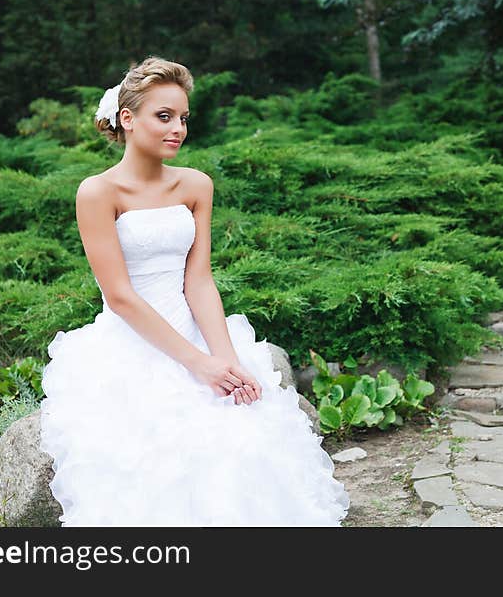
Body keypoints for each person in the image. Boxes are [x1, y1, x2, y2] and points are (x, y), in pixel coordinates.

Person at [39, 56, 350, 526]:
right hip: (132, 341)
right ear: (127, 118)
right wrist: (197, 364)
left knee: (243, 422)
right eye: (164, 117)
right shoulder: (98, 192)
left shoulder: (196, 185)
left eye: (183, 118)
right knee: (158, 460)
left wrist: (226, 359)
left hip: (200, 330)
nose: (177, 129)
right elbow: (120, 296)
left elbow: (199, 279)